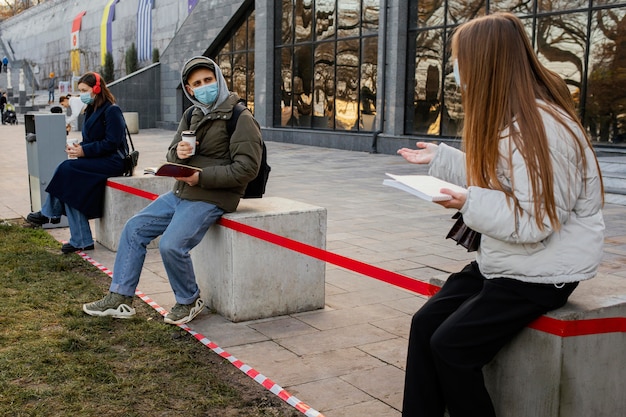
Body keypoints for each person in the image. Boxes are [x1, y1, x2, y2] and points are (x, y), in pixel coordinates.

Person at [398, 13, 605, 417]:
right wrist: (441, 160)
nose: (456, 70)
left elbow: (535, 221)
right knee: (426, 325)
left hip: (544, 271)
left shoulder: (543, 130)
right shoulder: (516, 117)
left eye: (460, 60)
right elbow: (500, 175)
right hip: (512, 260)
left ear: (486, 63)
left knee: (451, 346)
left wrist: (467, 202)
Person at [82, 56, 263, 325]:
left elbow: (248, 168)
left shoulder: (239, 116)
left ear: (219, 80)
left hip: (213, 195)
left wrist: (200, 178)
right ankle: (120, 298)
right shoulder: (192, 113)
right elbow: (171, 152)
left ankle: (189, 299)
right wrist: (178, 154)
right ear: (189, 90)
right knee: (134, 229)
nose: (203, 86)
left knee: (171, 245)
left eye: (208, 80)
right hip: (182, 192)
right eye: (197, 83)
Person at [26, 72, 127, 254]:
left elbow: (112, 142)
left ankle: (50, 213)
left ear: (97, 89)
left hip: (113, 161)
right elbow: (91, 139)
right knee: (69, 184)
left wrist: (85, 151)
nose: (82, 95)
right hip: (97, 159)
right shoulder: (90, 110)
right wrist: (78, 148)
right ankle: (81, 240)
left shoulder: (112, 110)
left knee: (66, 168)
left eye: (84, 90)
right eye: (79, 91)